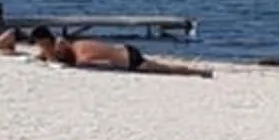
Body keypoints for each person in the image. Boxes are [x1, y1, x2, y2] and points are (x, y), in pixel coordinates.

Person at [38, 32, 212, 79]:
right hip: (124, 49)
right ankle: (196, 70)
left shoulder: (81, 58)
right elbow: (59, 46)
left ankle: (197, 71)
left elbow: (104, 63)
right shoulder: (74, 44)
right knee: (162, 65)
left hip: (129, 61)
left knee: (166, 69)